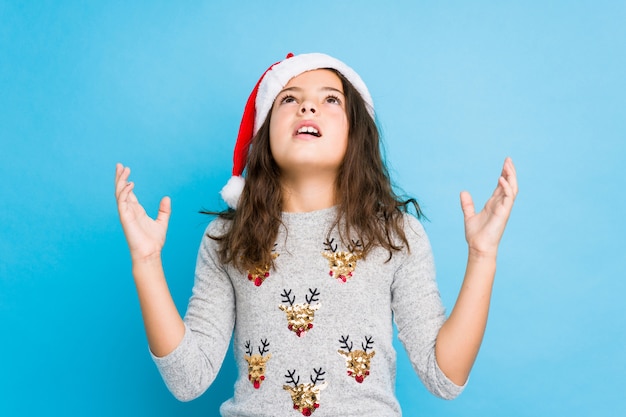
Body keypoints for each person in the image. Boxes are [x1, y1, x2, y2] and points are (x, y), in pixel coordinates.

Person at [114, 52, 518, 416]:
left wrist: (483, 255)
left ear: (354, 133)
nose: (308, 105)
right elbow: (188, 380)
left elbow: (443, 375)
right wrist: (146, 263)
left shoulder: (395, 235)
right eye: (288, 98)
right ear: (264, 130)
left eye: (331, 99)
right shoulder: (227, 239)